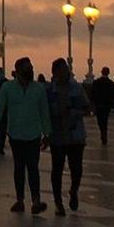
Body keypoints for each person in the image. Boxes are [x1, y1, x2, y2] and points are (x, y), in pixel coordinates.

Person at [0, 55, 51, 215]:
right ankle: (20, 200)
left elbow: (44, 112)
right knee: (19, 168)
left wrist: (47, 133)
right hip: (15, 134)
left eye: (31, 68)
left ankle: (36, 201)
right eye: (26, 69)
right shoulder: (8, 88)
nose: (30, 71)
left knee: (33, 167)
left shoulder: (38, 89)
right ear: (18, 72)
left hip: (34, 134)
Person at [46, 56, 89, 214]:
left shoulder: (76, 88)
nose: (65, 72)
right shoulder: (50, 90)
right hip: (57, 136)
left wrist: (72, 111)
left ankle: (73, 191)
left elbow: (86, 108)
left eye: (66, 69)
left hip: (76, 135)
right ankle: (58, 202)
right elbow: (46, 112)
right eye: (61, 70)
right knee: (57, 169)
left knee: (76, 168)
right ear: (55, 72)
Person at [90, 67, 114, 147]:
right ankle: (104, 133)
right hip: (107, 105)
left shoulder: (96, 82)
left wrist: (91, 103)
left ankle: (103, 133)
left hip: (99, 104)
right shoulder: (111, 83)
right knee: (105, 119)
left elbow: (92, 93)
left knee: (100, 120)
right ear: (108, 73)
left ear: (101, 72)